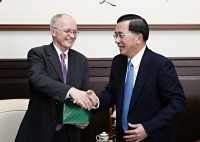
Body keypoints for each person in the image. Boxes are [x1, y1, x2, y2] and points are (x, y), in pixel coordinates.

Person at [88, 14, 187, 142]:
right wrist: (96, 101)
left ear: (139, 38)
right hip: (123, 137)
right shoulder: (118, 62)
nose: (116, 40)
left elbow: (178, 103)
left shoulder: (161, 65)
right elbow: (112, 93)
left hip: (152, 137)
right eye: (115, 35)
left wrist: (148, 128)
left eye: (121, 35)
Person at [15, 13, 94, 142]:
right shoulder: (38, 54)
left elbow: (83, 93)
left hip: (70, 130)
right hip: (40, 130)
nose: (72, 36)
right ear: (53, 31)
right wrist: (71, 91)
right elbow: (39, 80)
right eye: (68, 31)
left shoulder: (81, 60)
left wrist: (84, 117)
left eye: (75, 32)